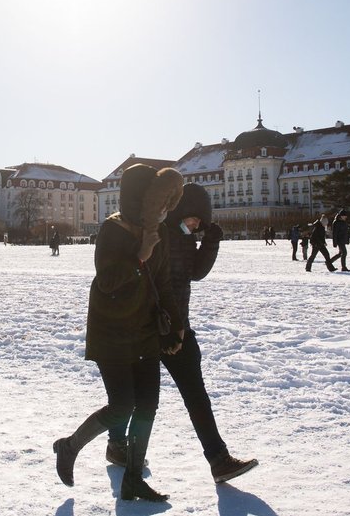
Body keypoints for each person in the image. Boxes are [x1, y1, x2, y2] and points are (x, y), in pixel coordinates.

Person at [106, 183, 258, 484]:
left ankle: (218, 460)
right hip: (152, 330)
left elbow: (194, 274)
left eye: (201, 221)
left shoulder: (185, 238)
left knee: (195, 395)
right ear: (179, 211)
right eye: (193, 219)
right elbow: (150, 284)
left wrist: (210, 243)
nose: (196, 224)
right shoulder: (158, 235)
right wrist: (164, 327)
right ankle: (117, 445)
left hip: (177, 327)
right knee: (139, 399)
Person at [54, 164, 184, 502]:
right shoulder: (112, 231)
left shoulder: (160, 231)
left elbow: (164, 282)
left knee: (148, 404)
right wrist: (140, 256)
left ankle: (133, 479)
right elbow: (107, 283)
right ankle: (69, 446)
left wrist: (175, 324)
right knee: (122, 404)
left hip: (144, 328)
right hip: (111, 328)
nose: (157, 208)